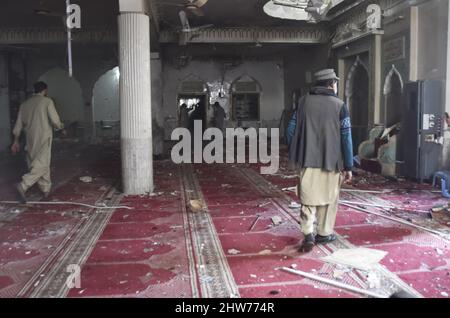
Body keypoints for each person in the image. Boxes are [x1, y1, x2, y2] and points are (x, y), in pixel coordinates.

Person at [289, 69, 353, 253]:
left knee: (308, 196)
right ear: (332, 84)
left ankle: (308, 233)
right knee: (329, 197)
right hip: (332, 160)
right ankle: (324, 233)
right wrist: (348, 165)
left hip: (306, 158)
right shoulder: (340, 105)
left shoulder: (302, 102)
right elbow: (346, 137)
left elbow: (291, 129)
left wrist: (296, 150)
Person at [11, 81, 65, 203]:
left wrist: (16, 141)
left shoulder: (24, 104)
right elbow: (55, 120)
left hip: (30, 139)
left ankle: (45, 189)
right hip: (43, 137)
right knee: (42, 163)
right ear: (45, 91)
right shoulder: (47, 101)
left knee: (37, 163)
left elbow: (18, 125)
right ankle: (24, 184)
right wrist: (61, 128)